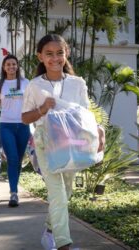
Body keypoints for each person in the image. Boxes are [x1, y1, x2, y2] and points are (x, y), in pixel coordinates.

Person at [21, 34, 105, 250]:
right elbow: (25, 118)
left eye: (60, 53)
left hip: (72, 144)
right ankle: (63, 245)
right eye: (49, 54)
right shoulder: (34, 85)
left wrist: (99, 131)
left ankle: (50, 231)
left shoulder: (77, 83)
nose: (55, 58)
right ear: (40, 56)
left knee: (66, 193)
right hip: (45, 144)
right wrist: (43, 109)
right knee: (57, 194)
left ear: (66, 54)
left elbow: (86, 113)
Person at [0, 54, 30, 207]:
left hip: (23, 125)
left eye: (13, 64)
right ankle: (13, 193)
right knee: (13, 158)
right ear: (4, 67)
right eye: (8, 64)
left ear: (17, 66)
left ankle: (14, 188)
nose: (11, 67)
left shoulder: (25, 83)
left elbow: (32, 101)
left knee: (19, 160)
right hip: (6, 125)